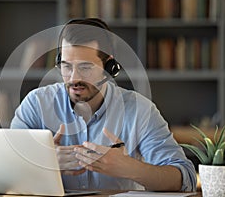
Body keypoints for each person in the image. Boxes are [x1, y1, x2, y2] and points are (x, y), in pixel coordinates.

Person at [10, 18, 197, 192]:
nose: (74, 78)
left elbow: (185, 178)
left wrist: (129, 168)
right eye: (67, 66)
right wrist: (43, 162)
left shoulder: (140, 110)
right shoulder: (36, 104)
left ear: (109, 68)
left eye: (85, 67)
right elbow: (6, 168)